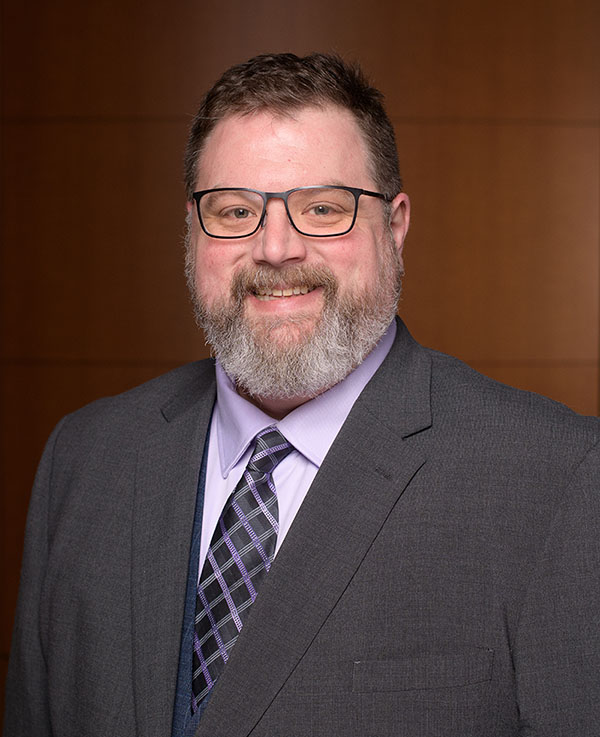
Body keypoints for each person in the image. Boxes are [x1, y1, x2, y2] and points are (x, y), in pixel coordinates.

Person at [4, 52, 600, 737]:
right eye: (235, 211)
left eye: (322, 208)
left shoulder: (558, 477)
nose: (276, 248)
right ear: (193, 231)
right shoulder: (84, 459)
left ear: (395, 226)